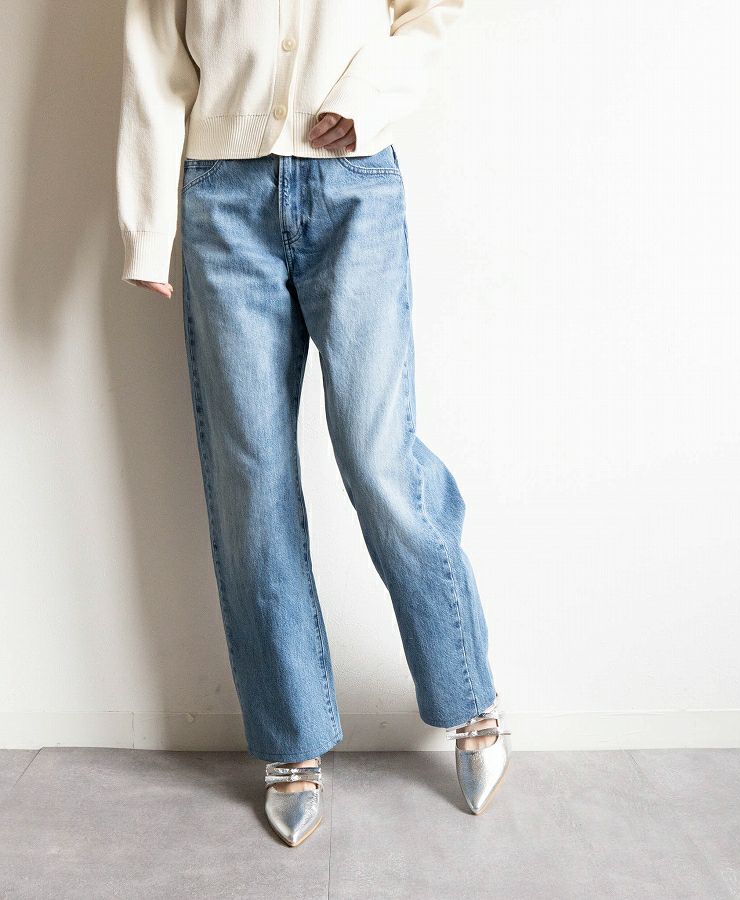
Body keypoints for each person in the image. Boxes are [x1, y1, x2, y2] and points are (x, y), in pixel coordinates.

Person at [116, 0, 511, 847]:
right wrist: (147, 228)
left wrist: (367, 94)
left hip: (354, 184)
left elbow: (432, 10)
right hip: (223, 198)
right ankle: (290, 737)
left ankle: (469, 695)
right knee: (250, 478)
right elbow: (153, 56)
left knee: (377, 459)